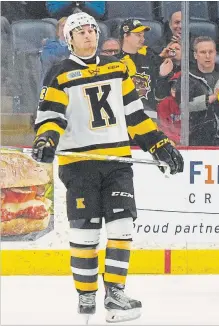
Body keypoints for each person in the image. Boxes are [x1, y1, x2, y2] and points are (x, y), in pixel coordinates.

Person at [31, 12, 183, 323]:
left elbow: (134, 115)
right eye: (81, 31)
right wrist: (46, 140)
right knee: (85, 232)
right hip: (80, 164)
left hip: (117, 162)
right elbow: (52, 118)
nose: (88, 35)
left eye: (91, 30)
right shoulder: (59, 74)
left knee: (122, 225)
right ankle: (86, 295)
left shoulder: (117, 69)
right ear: (69, 38)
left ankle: (115, 292)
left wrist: (159, 144)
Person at [175, 36, 219, 146]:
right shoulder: (186, 77)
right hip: (197, 137)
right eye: (203, 52)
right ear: (195, 55)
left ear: (215, 53)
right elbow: (183, 105)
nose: (207, 56)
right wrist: (210, 99)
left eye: (210, 52)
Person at [117, 19, 163, 119]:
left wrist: (162, 75)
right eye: (138, 35)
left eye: (143, 35)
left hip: (149, 116)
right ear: (126, 36)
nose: (142, 39)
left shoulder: (150, 59)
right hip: (123, 116)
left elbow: (161, 93)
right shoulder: (115, 61)